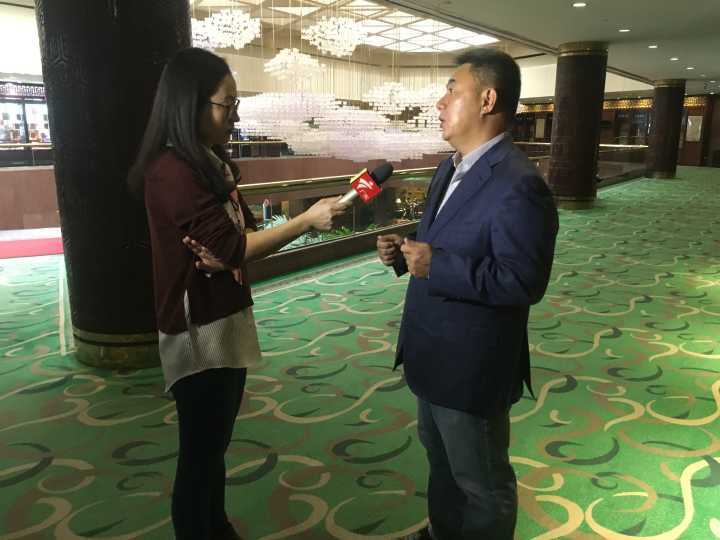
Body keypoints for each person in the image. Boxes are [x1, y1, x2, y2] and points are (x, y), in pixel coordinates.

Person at [127, 48, 347, 540]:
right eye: (228, 104)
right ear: (191, 104)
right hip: (196, 328)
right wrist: (305, 220)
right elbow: (233, 246)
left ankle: (218, 528)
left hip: (225, 315)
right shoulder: (172, 170)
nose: (235, 116)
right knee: (200, 453)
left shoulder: (210, 164)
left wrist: (233, 251)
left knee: (215, 445)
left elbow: (240, 240)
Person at [376, 49, 558, 540]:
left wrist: (437, 264)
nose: (439, 102)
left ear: (487, 100)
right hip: (431, 352)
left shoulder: (520, 183)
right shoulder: (449, 168)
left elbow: (524, 280)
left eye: (452, 90)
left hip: (472, 366)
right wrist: (404, 252)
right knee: (441, 463)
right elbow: (446, 239)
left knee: (482, 484)